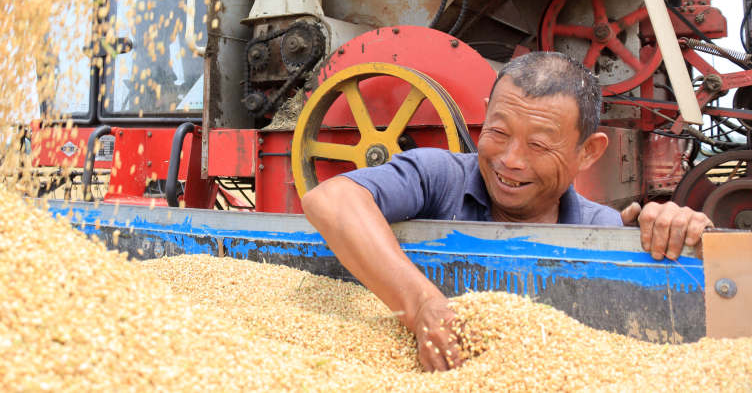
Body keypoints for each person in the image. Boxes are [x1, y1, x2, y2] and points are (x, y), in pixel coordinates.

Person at [300, 51, 713, 372]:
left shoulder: (599, 228)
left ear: (588, 152)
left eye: (539, 145)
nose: (510, 160)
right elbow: (330, 200)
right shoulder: (438, 178)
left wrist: (685, 232)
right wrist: (422, 305)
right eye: (498, 132)